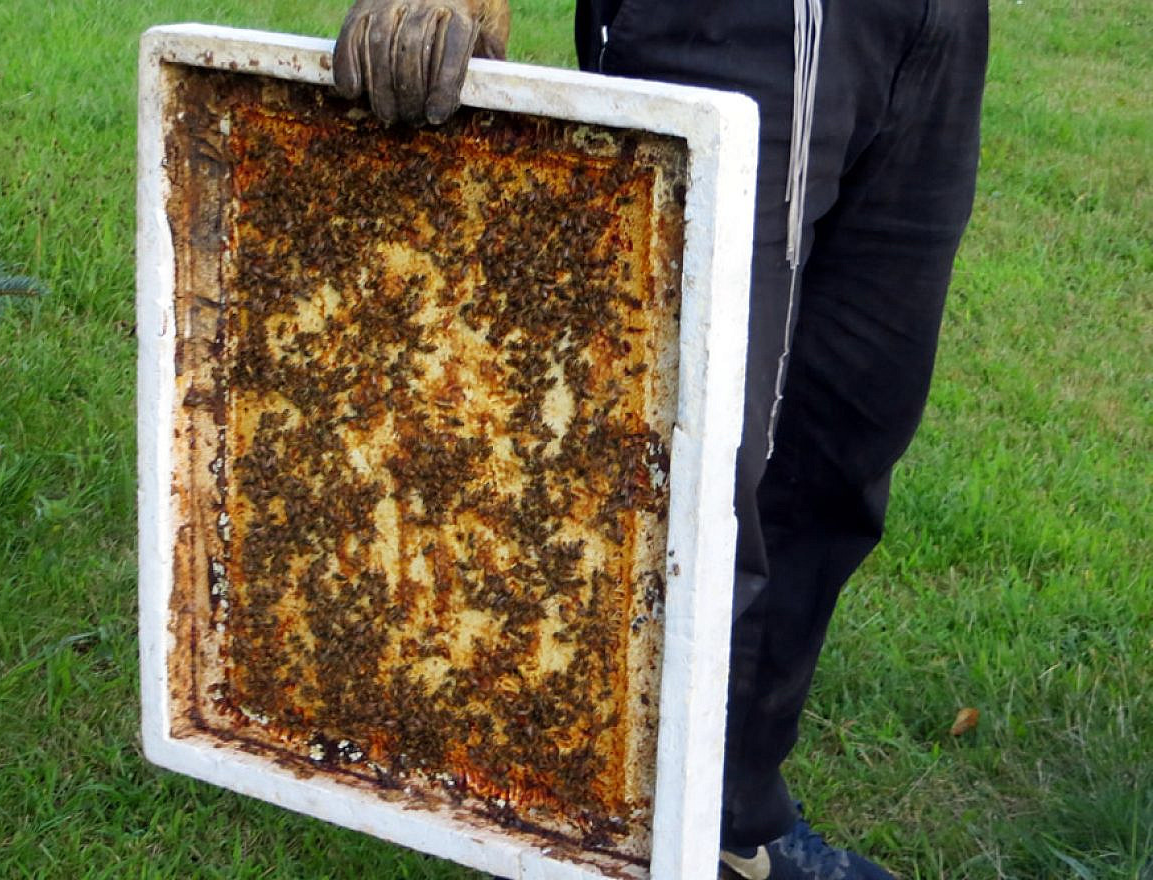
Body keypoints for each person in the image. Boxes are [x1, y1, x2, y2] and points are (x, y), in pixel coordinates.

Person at [331, 1, 989, 877]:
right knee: (662, 473)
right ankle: (583, 829)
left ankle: (725, 823)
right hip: (726, 24)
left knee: (835, 450)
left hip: (927, 29)